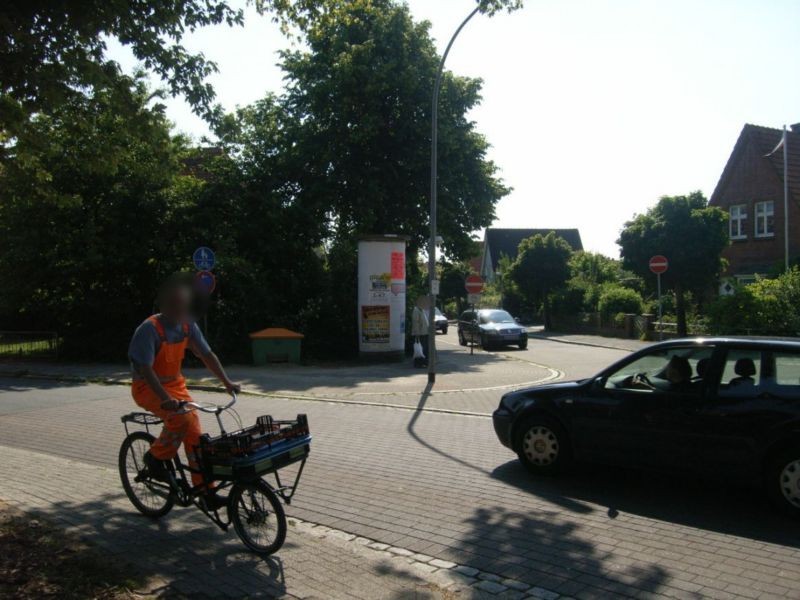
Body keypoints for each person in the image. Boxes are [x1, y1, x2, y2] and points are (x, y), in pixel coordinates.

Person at [128, 276, 240, 509]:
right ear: (164, 305)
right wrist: (165, 399)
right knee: (181, 418)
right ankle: (155, 457)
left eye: (183, 304)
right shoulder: (149, 329)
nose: (180, 309)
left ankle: (205, 493)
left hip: (176, 386)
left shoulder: (188, 326)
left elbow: (207, 355)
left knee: (197, 439)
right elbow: (145, 370)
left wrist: (227, 383)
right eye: (175, 304)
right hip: (147, 388)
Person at [411, 295, 429, 368]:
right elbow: (416, 322)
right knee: (420, 349)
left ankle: (423, 362)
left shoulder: (422, 310)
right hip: (420, 333)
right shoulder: (416, 310)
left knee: (423, 349)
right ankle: (419, 363)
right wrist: (417, 333)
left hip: (424, 332)